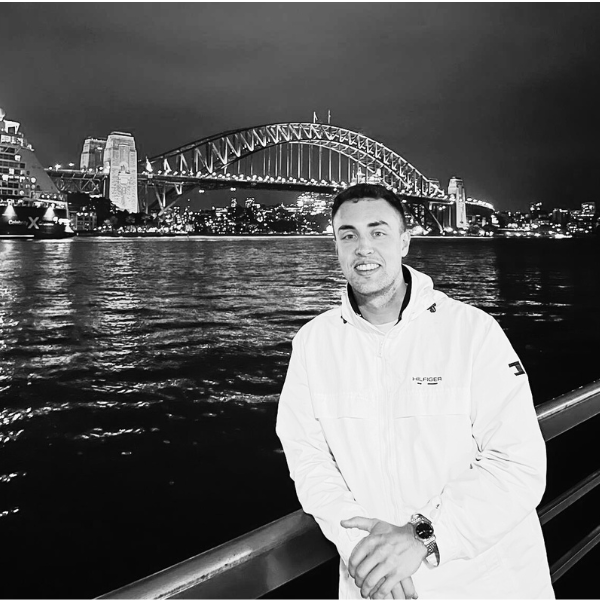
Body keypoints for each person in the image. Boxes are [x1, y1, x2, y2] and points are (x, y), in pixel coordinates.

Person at [276, 183, 554, 599]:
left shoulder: (472, 331)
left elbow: (518, 464)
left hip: (485, 584)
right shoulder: (314, 343)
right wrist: (364, 549)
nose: (363, 248)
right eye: (348, 235)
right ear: (336, 247)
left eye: (378, 232)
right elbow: (308, 458)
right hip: (377, 586)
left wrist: (424, 536)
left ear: (404, 242)